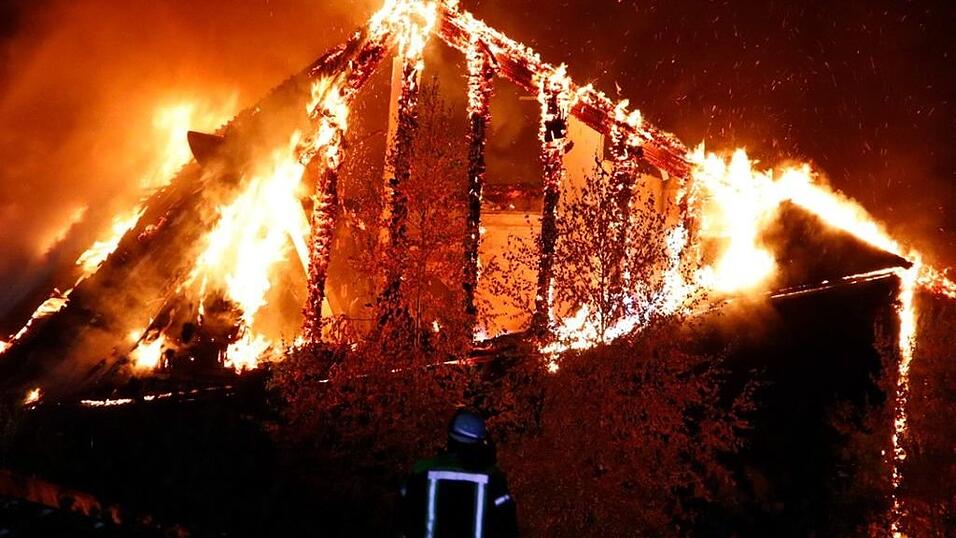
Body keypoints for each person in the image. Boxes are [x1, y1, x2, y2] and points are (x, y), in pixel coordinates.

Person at [398, 409, 518, 538]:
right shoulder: (493, 478)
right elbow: (508, 525)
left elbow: (401, 517)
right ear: (480, 442)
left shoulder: (420, 471)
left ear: (450, 436)